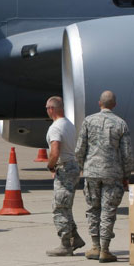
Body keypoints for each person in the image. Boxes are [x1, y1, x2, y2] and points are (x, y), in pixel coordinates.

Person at [74, 90, 134, 263]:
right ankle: (105, 249)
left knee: (93, 209)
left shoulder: (88, 121)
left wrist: (81, 167)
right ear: (114, 105)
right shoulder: (120, 123)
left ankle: (95, 246)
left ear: (99, 103)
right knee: (108, 210)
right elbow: (127, 153)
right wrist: (126, 175)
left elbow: (80, 149)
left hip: (91, 173)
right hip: (112, 173)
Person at [44, 96, 86, 256]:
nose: (47, 111)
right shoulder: (69, 124)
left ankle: (65, 244)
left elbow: (55, 151)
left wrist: (50, 165)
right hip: (73, 166)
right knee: (66, 206)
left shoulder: (56, 128)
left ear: (52, 109)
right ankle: (75, 238)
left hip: (65, 168)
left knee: (59, 207)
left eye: (47, 108)